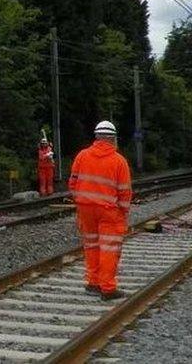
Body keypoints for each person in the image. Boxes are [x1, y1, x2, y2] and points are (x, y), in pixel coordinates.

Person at [69, 120, 132, 300]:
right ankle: (108, 288)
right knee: (109, 248)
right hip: (109, 211)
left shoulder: (82, 156)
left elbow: (73, 182)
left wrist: (81, 200)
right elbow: (125, 191)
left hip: (85, 209)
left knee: (91, 245)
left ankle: (93, 282)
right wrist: (123, 211)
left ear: (96, 137)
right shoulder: (119, 161)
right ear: (113, 139)